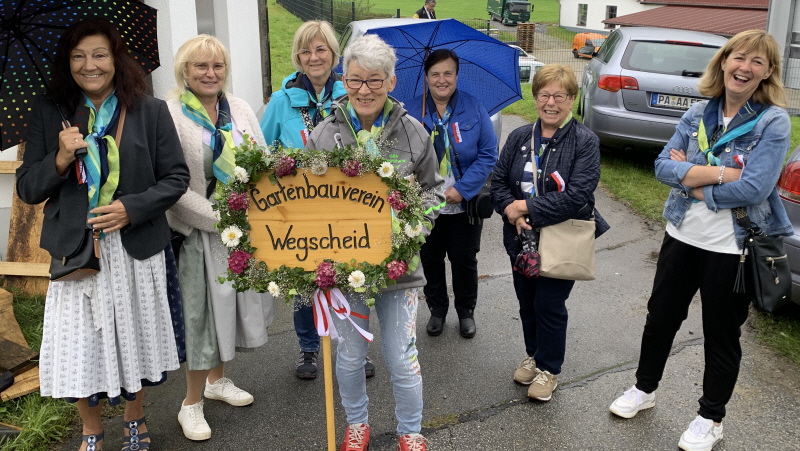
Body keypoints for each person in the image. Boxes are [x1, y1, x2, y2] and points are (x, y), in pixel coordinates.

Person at [608, 30, 792, 451]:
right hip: (682, 235)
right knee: (660, 320)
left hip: (733, 248)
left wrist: (692, 182)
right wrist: (722, 174)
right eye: (738, 57)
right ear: (724, 61)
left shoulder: (773, 121)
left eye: (756, 62)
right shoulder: (697, 113)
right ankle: (644, 389)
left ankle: (711, 417)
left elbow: (756, 188)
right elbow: (660, 168)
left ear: (767, 73)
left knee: (721, 335)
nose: (745, 67)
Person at [16, 18, 190, 451]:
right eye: (78, 56)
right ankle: (91, 428)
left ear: (116, 59)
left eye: (98, 55)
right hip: (77, 250)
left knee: (135, 335)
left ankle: (135, 417)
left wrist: (131, 209)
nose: (89, 65)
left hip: (135, 246)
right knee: (81, 343)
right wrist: (58, 157)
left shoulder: (149, 111)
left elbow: (176, 177)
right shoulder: (49, 111)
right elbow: (27, 188)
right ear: (66, 62)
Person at [305, 34, 444, 451]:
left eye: (375, 81)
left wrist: (412, 230)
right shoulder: (324, 134)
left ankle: (410, 431)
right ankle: (357, 424)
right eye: (355, 80)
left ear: (392, 82)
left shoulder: (414, 132)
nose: (364, 90)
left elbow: (433, 191)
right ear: (342, 80)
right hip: (346, 272)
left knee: (402, 357)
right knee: (348, 358)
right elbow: (307, 199)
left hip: (399, 270)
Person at [166, 34, 276, 442]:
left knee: (228, 311)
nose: (211, 73)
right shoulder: (171, 115)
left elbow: (263, 163)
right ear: (185, 71)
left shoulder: (240, 108)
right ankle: (190, 403)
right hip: (198, 231)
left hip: (242, 230)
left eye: (218, 66)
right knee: (202, 317)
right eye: (201, 66)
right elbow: (171, 184)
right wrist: (222, 218)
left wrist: (253, 214)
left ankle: (217, 382)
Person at [259, 20, 375, 381]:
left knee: (352, 278)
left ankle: (355, 347)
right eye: (306, 51)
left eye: (320, 49)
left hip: (347, 207)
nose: (313, 57)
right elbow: (262, 154)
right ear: (297, 56)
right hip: (300, 211)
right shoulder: (282, 102)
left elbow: (368, 143)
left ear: (333, 54)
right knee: (304, 282)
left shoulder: (352, 95)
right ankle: (308, 348)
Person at [491, 64, 609, 402]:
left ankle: (549, 369)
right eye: (545, 94)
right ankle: (534, 354)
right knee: (527, 302)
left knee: (549, 304)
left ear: (572, 99)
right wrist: (511, 213)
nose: (551, 102)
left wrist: (523, 208)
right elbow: (499, 182)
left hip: (561, 239)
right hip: (521, 238)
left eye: (560, 95)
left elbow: (577, 196)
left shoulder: (585, 142)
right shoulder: (519, 137)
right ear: (536, 98)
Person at [406, 49, 497, 339]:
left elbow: (488, 154)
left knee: (464, 260)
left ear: (456, 76)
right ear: (427, 78)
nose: (442, 80)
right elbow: (398, 156)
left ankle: (466, 312)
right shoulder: (410, 111)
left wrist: (462, 188)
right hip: (426, 204)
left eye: (448, 73)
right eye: (435, 74)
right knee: (430, 259)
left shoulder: (473, 107)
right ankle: (437, 310)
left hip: (462, 205)